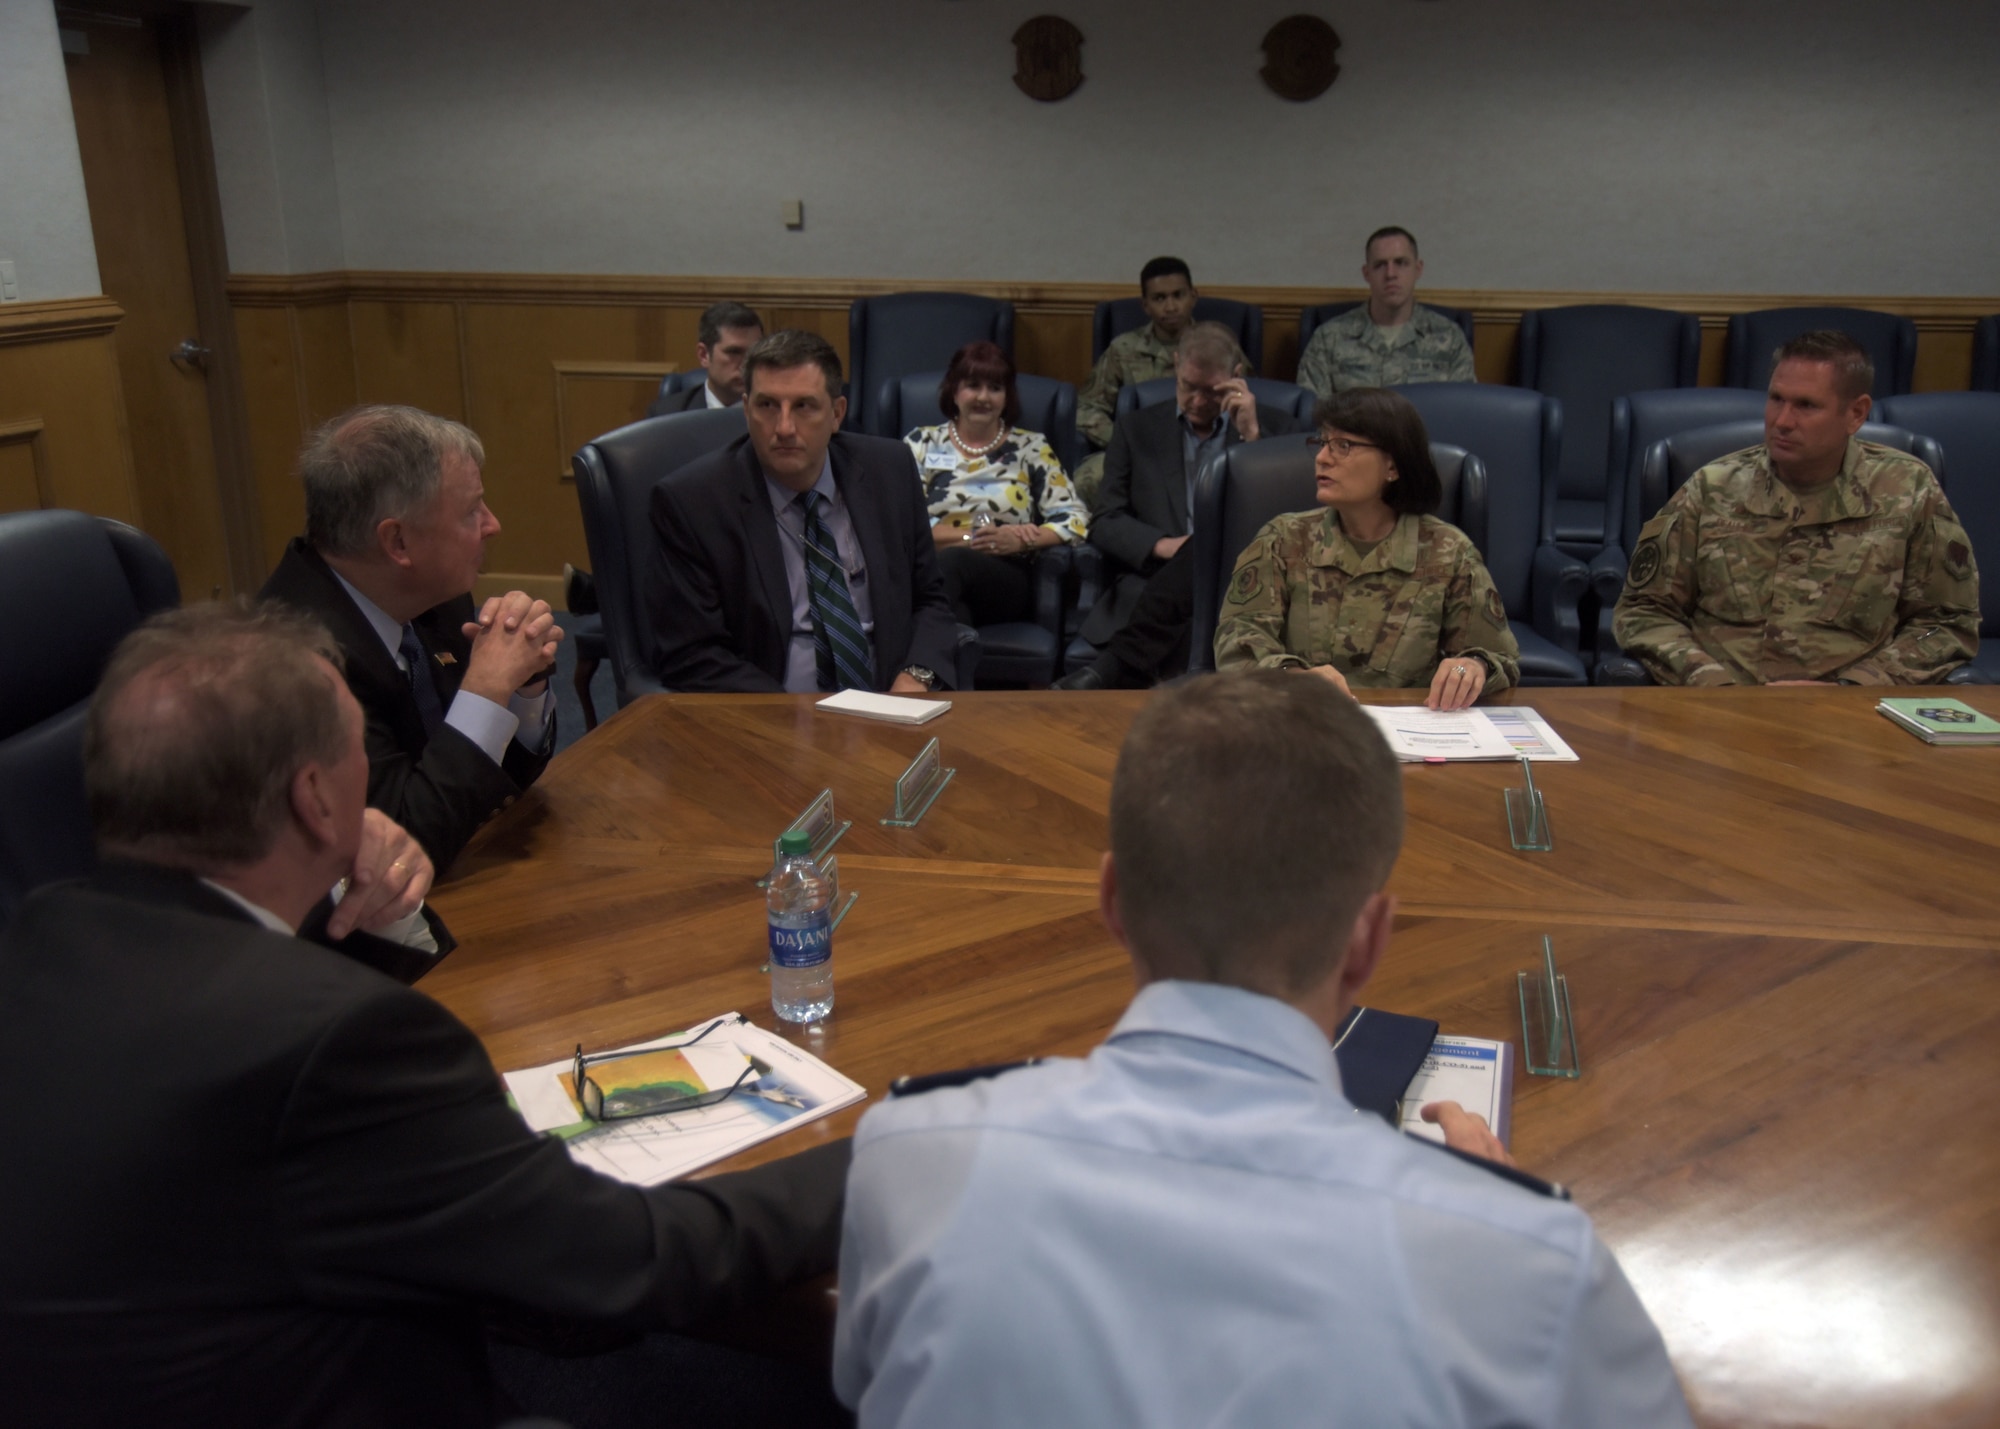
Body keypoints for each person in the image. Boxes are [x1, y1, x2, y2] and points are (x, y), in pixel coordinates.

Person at [0, 603, 847, 1429]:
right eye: (352, 755)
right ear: (314, 800)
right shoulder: (337, 1042)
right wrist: (900, 1147)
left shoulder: (41, 936)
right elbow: (627, 1262)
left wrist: (336, 878)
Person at [833, 670, 1690, 1427]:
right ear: (1369, 940)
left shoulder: (908, 1157)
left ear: (1112, 899)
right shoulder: (1532, 1267)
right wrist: (1484, 1205)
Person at [261, 404, 560, 874]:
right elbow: (403, 846)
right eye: (470, 512)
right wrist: (484, 691)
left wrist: (523, 688)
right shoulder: (293, 663)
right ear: (397, 542)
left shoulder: (433, 596)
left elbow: (497, 786)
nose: (492, 525)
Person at [1613, 330, 1980, 685]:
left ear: (1856, 413)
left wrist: (1858, 687)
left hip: (1850, 719)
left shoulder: (1908, 490)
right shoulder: (1713, 488)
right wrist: (1710, 682)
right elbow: (1645, 611)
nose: (1782, 421)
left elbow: (1945, 623)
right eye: (1776, 399)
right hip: (1720, 709)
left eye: (1806, 405)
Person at [646, 329, 960, 693]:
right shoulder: (693, 503)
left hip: (890, 707)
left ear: (837, 413)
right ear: (746, 410)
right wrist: (795, 720)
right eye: (767, 406)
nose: (784, 428)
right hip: (768, 719)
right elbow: (692, 654)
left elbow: (930, 600)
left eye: (803, 406)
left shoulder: (889, 471)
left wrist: (916, 676)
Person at [1214, 387, 1520, 708]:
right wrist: (1292, 676)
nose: (1321, 457)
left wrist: (1472, 667)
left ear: (1393, 466)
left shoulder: (1449, 551)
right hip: (1303, 720)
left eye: (1343, 445)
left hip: (1409, 730)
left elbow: (1500, 657)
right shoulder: (1282, 540)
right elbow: (1237, 639)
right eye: (1322, 443)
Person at [1057, 323, 1303, 689]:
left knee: (1207, 551)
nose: (1198, 401)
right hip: (1157, 583)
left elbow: (1289, 520)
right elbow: (1106, 520)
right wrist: (1164, 545)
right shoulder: (1136, 429)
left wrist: (1251, 439)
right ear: (1176, 366)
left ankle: (1116, 666)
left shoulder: (1280, 430)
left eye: (1211, 391)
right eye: (1189, 387)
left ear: (1237, 379)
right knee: (1199, 566)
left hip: (1249, 577)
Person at [901, 340, 1089, 627]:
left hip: (1005, 578)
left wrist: (1022, 539)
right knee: (954, 619)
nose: (983, 397)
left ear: (1007, 397)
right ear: (954, 390)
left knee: (952, 565)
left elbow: (1075, 519)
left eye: (995, 388)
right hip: (934, 572)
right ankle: (935, 666)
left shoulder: (1030, 447)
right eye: (973, 385)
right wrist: (973, 539)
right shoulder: (921, 443)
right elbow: (902, 522)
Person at [1072, 256, 1201, 504]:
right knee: (1087, 480)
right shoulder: (1123, 350)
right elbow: (1086, 409)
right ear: (1145, 305)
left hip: (1203, 449)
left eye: (1178, 295)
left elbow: (1246, 399)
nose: (1171, 306)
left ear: (1193, 296)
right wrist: (1125, 441)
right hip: (1138, 453)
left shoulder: (1216, 346)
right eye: (1159, 298)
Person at [1297, 226, 1477, 398]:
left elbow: (1462, 411)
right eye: (1380, 265)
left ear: (1418, 269)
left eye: (1401, 263)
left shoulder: (1449, 338)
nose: (1391, 274)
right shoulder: (1329, 338)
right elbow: (1311, 413)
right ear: (1367, 274)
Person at [647, 300, 766, 416]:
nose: (746, 364)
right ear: (704, 355)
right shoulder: (667, 415)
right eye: (734, 352)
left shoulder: (777, 413)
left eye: (754, 351)